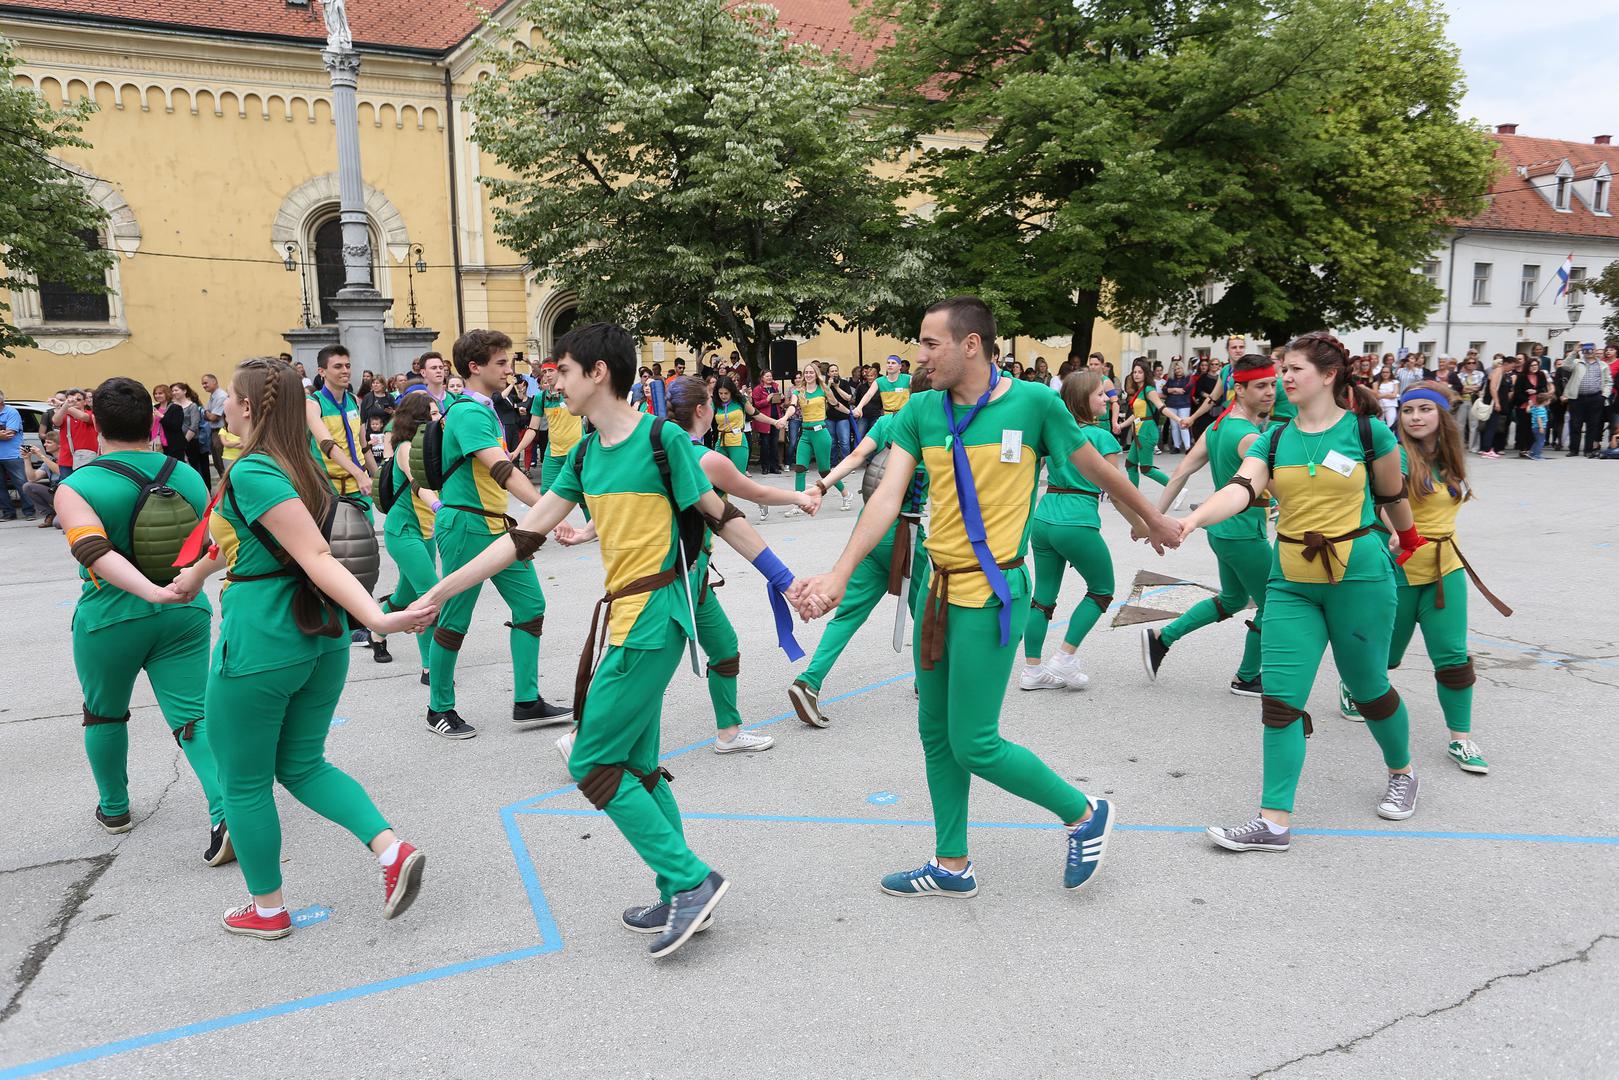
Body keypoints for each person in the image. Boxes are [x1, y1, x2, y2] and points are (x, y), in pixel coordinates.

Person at [413, 322, 805, 959]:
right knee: (639, 768)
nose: (551, 380)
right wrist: (441, 589)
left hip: (654, 621)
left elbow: (721, 515)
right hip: (625, 619)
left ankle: (689, 880)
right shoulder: (585, 452)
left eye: (562, 370)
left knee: (591, 762)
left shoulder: (663, 439)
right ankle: (678, 889)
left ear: (597, 372)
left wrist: (786, 583)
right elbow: (525, 534)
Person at [790, 296, 1182, 900]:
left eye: (929, 343)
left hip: (993, 592)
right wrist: (841, 573)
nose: (920, 357)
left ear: (970, 344)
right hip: (935, 588)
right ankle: (952, 864)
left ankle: (1082, 812)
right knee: (935, 732)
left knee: (975, 740)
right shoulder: (921, 410)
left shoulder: (1034, 405)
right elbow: (887, 498)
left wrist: (1151, 518)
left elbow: (1101, 470)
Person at [167, 357, 432, 939]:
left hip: (265, 637)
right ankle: (391, 852)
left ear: (250, 407)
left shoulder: (253, 470)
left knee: (243, 782)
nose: (223, 407)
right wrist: (191, 579)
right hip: (320, 635)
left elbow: (313, 554)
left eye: (230, 397)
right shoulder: (304, 463)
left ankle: (267, 910)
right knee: (302, 763)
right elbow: (251, 540)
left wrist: (380, 619)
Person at [1179, 332, 1421, 854]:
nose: (1284, 378)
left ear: (1329, 375)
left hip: (1358, 578)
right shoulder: (1274, 438)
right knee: (1280, 701)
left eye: (1295, 369)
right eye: (1282, 369)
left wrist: (1410, 539)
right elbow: (1241, 489)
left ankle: (1401, 771)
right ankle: (1273, 820)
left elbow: (1391, 494)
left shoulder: (1368, 432)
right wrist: (1193, 519)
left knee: (1368, 689)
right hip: (1290, 581)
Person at [557, 375, 815, 754]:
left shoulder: (654, 451)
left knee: (724, 647)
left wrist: (585, 532)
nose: (713, 406)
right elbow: (752, 493)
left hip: (693, 577)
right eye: (710, 400)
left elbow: (632, 499)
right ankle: (584, 739)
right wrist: (799, 497)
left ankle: (728, 731)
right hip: (677, 578)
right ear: (700, 409)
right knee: (646, 666)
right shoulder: (707, 459)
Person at [51, 377, 231, 858]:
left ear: (98, 423)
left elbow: (91, 550)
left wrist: (147, 591)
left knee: (104, 712)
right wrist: (175, 587)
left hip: (110, 618)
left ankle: (114, 808)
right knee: (194, 714)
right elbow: (214, 541)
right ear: (150, 420)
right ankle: (224, 808)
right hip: (185, 608)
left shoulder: (77, 486)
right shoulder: (189, 476)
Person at [1338, 381, 1510, 776]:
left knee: (1452, 658)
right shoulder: (1395, 454)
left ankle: (1461, 739)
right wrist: (1393, 529)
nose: (1415, 417)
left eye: (1424, 409)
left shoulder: (1452, 458)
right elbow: (1385, 498)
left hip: (1445, 569)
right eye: (1409, 410)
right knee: (1385, 660)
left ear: (1441, 415)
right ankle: (1354, 684)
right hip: (1396, 573)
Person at [425, 330, 569, 739]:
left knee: (531, 605)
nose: (509, 368)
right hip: (466, 525)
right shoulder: (468, 412)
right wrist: (546, 509)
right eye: (501, 362)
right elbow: (500, 470)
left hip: (494, 524)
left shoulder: (483, 408)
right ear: (475, 367)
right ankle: (439, 707)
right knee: (455, 617)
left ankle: (526, 701)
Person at [787, 371, 934, 726]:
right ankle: (929, 682)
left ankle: (809, 682)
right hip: (906, 531)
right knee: (927, 612)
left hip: (869, 529)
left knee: (849, 612)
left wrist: (821, 485)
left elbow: (854, 458)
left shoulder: (889, 422)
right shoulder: (938, 430)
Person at [1143, 354, 1277, 696]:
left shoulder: (1217, 427)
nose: (1270, 392)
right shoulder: (1249, 437)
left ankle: (1162, 638)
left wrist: (1154, 519)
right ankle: (1247, 677)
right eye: (1261, 386)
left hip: (1220, 531)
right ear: (1238, 388)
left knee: (1232, 599)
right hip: (1244, 533)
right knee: (1274, 605)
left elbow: (1180, 471)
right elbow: (1279, 488)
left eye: (1273, 385)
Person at [1019, 370, 1151, 691]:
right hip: (1077, 521)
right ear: (1083, 400)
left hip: (1044, 518)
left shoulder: (1053, 434)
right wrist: (1139, 524)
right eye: (1100, 394)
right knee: (1102, 589)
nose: (1107, 398)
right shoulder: (1103, 438)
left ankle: (1032, 670)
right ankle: (1065, 657)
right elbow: (1116, 491)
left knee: (1042, 598)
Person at [377, 393, 441, 686]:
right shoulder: (405, 448)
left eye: (438, 413)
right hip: (403, 532)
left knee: (404, 598)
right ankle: (430, 669)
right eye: (432, 414)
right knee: (428, 596)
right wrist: (438, 506)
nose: (438, 419)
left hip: (425, 532)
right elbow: (417, 485)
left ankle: (376, 629)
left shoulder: (431, 446)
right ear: (417, 419)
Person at [780, 362, 850, 515]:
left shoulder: (823, 389)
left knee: (825, 472)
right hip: (805, 434)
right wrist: (785, 418)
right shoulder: (799, 391)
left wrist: (852, 412)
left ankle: (846, 494)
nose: (809, 375)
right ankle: (798, 504)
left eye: (812, 372)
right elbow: (792, 406)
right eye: (806, 372)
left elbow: (836, 404)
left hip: (821, 433)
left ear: (817, 374)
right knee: (799, 468)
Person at [515, 361, 583, 494]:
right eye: (545, 372)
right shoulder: (540, 398)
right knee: (546, 495)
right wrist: (516, 451)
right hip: (553, 455)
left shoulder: (574, 391)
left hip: (577, 452)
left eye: (551, 370)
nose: (547, 375)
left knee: (586, 497)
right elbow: (533, 429)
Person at [1121, 362, 1171, 488]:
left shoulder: (1149, 389)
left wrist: (1178, 419)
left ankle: (1177, 489)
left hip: (1147, 431)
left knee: (1146, 468)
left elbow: (1161, 407)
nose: (1136, 374)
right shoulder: (1140, 391)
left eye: (1140, 372)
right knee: (1130, 465)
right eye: (1134, 372)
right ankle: (1133, 496)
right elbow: (1135, 415)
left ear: (1146, 374)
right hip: (1139, 431)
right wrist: (1121, 426)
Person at [1561, 343, 1611, 458]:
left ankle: (1588, 450)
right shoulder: (1577, 362)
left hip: (1595, 397)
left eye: (1591, 350)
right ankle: (1574, 449)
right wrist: (1574, 352)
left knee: (1592, 425)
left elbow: (1608, 381)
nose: (1588, 352)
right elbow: (1565, 366)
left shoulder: (1602, 365)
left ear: (1595, 350)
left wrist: (1604, 396)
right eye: (1586, 350)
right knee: (1575, 424)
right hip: (1577, 398)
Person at [170, 382, 211, 482]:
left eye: (176, 390)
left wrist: (184, 442)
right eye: (172, 391)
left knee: (195, 467)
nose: (174, 392)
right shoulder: (171, 406)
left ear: (184, 391)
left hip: (191, 441)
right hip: (176, 442)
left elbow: (194, 426)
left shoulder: (192, 406)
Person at [0, 388, 29, 520]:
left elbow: (9, 435)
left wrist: (5, 433)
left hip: (13, 455)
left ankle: (29, 512)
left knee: (21, 484)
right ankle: (8, 513)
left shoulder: (11, 412)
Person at [22, 433, 62, 525]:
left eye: (49, 442)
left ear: (60, 444)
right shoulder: (49, 460)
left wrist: (41, 455)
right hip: (55, 494)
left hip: (68, 496)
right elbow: (32, 478)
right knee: (28, 486)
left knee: (58, 524)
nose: (45, 444)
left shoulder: (68, 458)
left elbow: (60, 471)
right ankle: (49, 514)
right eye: (45, 442)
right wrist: (27, 459)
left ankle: (61, 514)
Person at [750, 371, 784, 474]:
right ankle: (765, 467)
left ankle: (774, 467)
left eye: (770, 376)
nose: (769, 378)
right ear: (762, 378)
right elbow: (756, 405)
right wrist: (767, 399)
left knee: (774, 444)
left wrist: (781, 399)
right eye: (767, 376)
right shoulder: (757, 389)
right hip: (764, 420)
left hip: (775, 419)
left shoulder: (775, 387)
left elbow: (778, 403)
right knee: (765, 445)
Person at [1163, 359, 1193, 452]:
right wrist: (1175, 389)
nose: (1177, 371)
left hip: (1184, 405)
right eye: (1175, 369)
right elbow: (1164, 389)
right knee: (1174, 426)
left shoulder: (1188, 378)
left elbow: (1185, 390)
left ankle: (1188, 447)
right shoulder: (1171, 379)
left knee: (1183, 425)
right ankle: (1177, 446)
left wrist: (1171, 390)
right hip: (1171, 404)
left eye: (1179, 368)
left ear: (1182, 368)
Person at [202, 373, 228, 475]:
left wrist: (207, 413)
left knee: (221, 463)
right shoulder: (213, 396)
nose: (204, 386)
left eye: (205, 383)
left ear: (214, 382)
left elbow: (213, 417)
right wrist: (207, 413)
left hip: (220, 432)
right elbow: (205, 413)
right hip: (213, 432)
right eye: (202, 384)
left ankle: (227, 487)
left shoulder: (221, 396)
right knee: (217, 462)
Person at [152, 383, 184, 462]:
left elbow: (176, 426)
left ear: (167, 394)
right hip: (155, 442)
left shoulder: (176, 408)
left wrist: (161, 416)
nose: (157, 395)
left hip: (172, 444)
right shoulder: (154, 408)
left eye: (160, 393)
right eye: (155, 394)